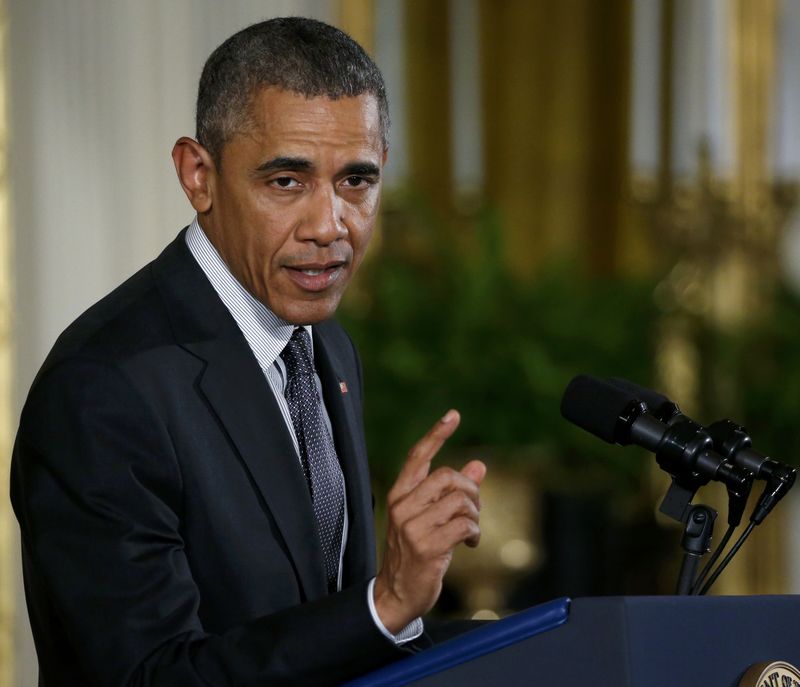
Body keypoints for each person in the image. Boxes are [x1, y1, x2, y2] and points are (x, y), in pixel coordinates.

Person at [10, 16, 486, 687]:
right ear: (198, 175)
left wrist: (407, 618)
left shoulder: (325, 344)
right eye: (286, 181)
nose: (329, 226)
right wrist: (383, 604)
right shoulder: (104, 387)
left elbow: (319, 626)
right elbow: (148, 677)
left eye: (357, 180)